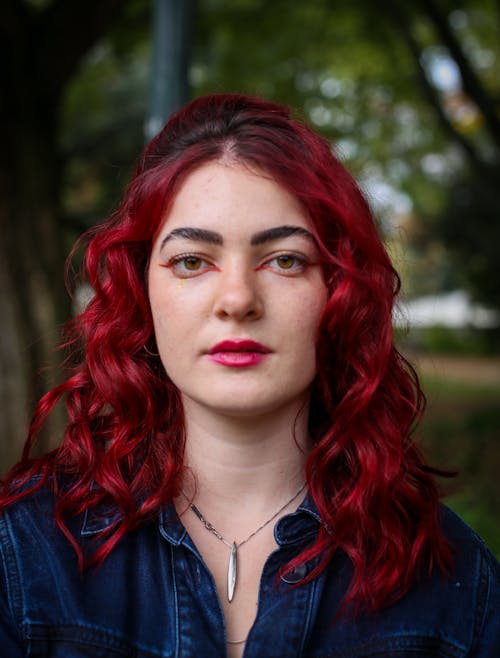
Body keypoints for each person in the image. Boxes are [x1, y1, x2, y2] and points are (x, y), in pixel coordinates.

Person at [0, 93, 498, 658]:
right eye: (192, 261)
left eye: (284, 259)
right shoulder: (26, 556)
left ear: (339, 292)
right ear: (143, 291)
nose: (237, 299)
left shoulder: (454, 582)